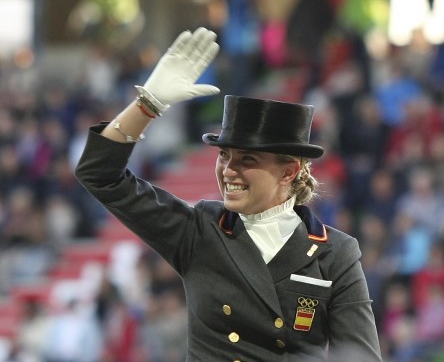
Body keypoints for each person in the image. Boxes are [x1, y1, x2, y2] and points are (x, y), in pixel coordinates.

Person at [75, 27, 382, 361]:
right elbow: (99, 174)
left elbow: (360, 355)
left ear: (289, 171)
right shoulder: (199, 230)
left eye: (247, 159)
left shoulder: (336, 253)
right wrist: (147, 105)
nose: (228, 170)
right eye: (224, 156)